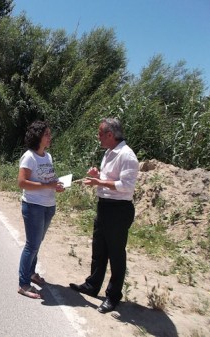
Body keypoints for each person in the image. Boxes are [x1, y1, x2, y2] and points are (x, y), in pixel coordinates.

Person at [69, 117, 139, 313]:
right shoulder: (109, 153)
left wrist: (99, 183)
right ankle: (92, 285)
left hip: (118, 210)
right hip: (105, 206)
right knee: (99, 249)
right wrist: (98, 176)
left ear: (110, 135)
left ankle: (113, 296)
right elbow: (112, 180)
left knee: (116, 254)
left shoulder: (127, 155)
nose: (98, 137)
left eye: (100, 134)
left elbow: (126, 186)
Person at [17, 120, 64, 299]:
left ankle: (31, 273)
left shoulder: (47, 156)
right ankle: (23, 283)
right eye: (46, 134)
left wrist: (56, 185)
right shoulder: (29, 157)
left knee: (37, 243)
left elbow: (49, 179)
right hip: (33, 205)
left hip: (48, 206)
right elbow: (22, 183)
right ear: (38, 136)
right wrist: (47, 185)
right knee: (32, 244)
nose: (49, 137)